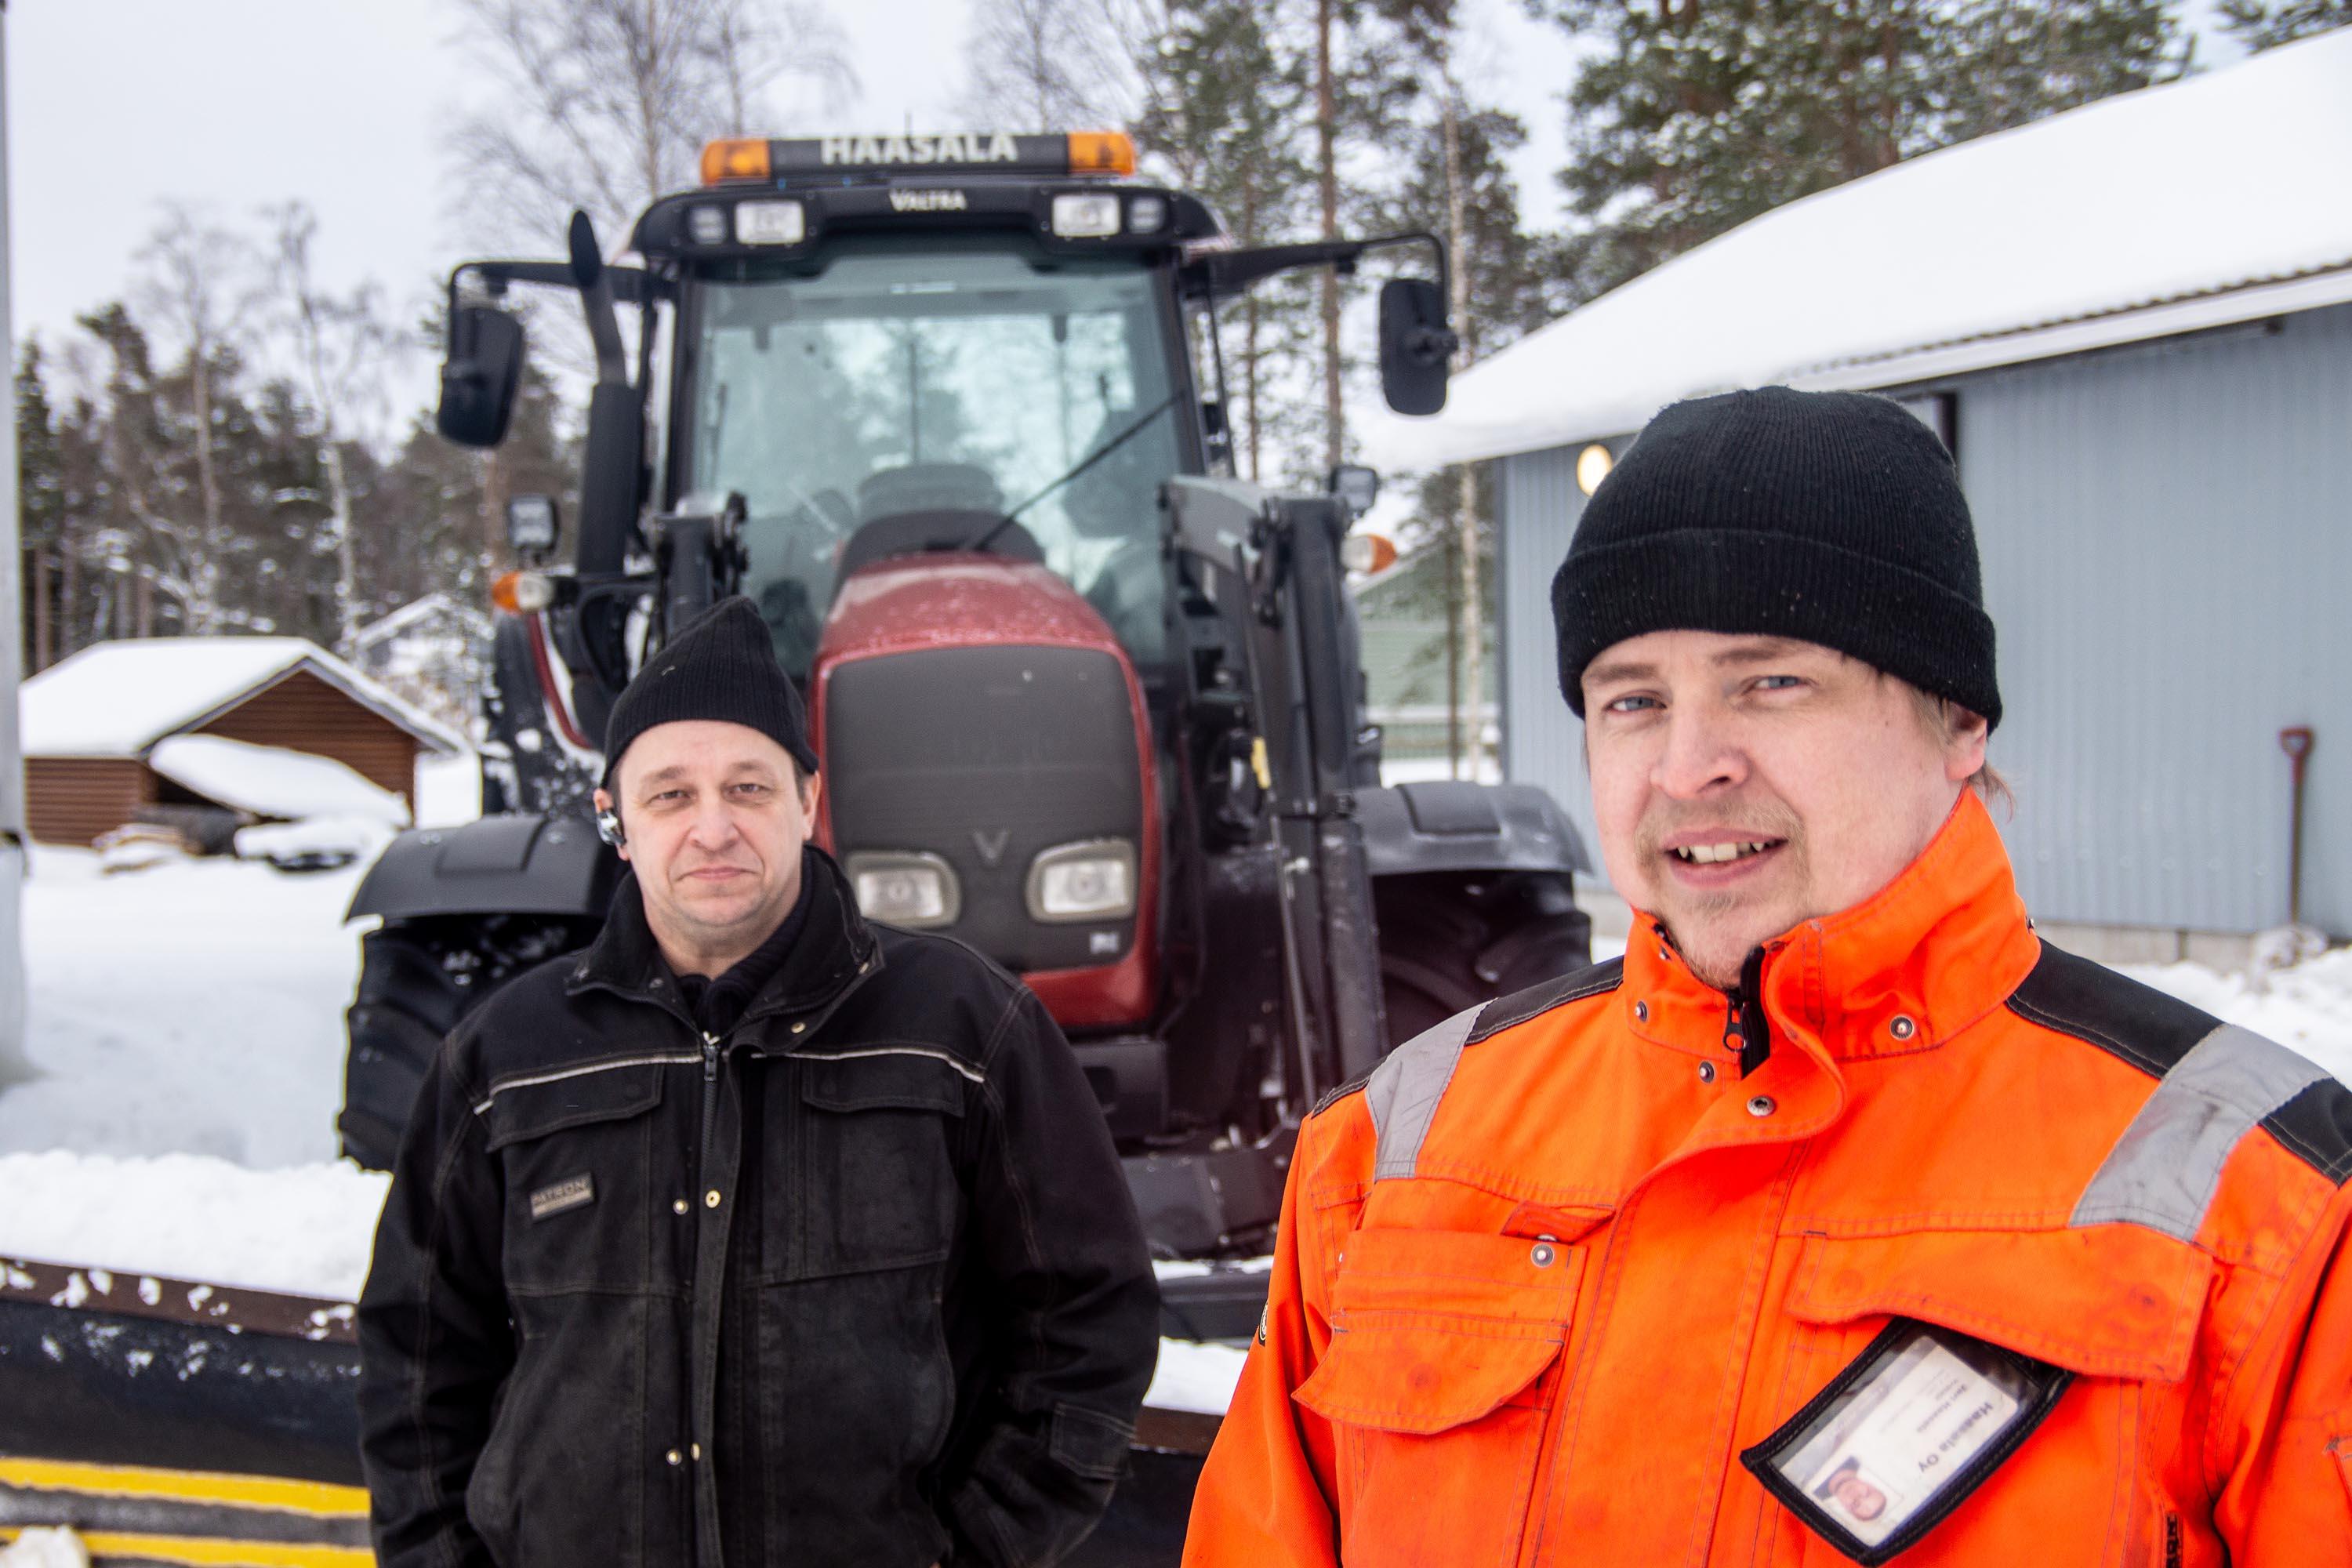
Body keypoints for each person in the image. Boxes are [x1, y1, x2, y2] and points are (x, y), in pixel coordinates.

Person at [1182, 389, 2352, 1566]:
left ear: (1958, 722)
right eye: (1633, 700)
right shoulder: (1393, 1150)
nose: (1690, 767)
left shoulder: (2262, 1206)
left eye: (1771, 683)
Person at [359, 597, 1160, 1568]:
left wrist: (975, 1547)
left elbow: (1088, 1315)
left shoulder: (961, 1028)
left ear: (809, 801)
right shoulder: (505, 1056)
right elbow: (418, 1354)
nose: (713, 827)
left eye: (748, 786)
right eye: (669, 794)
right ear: (614, 819)